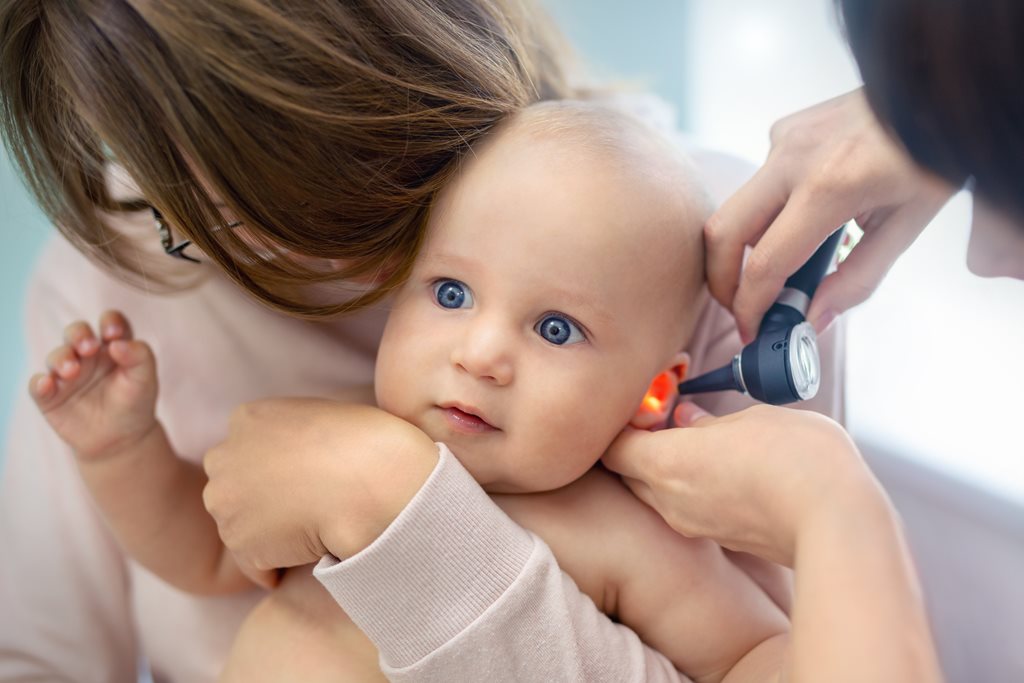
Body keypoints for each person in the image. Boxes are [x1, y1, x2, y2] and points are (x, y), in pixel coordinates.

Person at [0, 2, 850, 682]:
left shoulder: (627, 531)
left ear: (652, 391)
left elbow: (763, 657)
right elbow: (200, 544)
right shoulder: (307, 461)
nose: (479, 352)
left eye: (556, 329)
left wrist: (396, 506)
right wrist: (123, 450)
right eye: (448, 294)